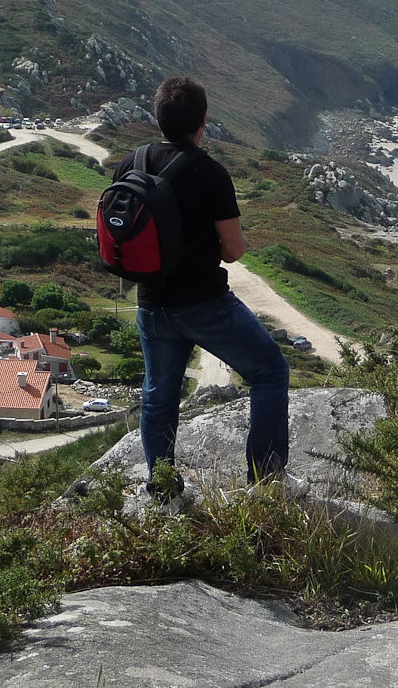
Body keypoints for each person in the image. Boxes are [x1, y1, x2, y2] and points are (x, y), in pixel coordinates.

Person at [115, 76, 292, 499]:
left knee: (159, 396)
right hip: (205, 304)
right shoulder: (210, 173)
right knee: (269, 371)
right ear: (203, 122)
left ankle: (163, 493)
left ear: (157, 118)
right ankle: (267, 485)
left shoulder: (130, 163)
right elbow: (232, 252)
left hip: (151, 304)